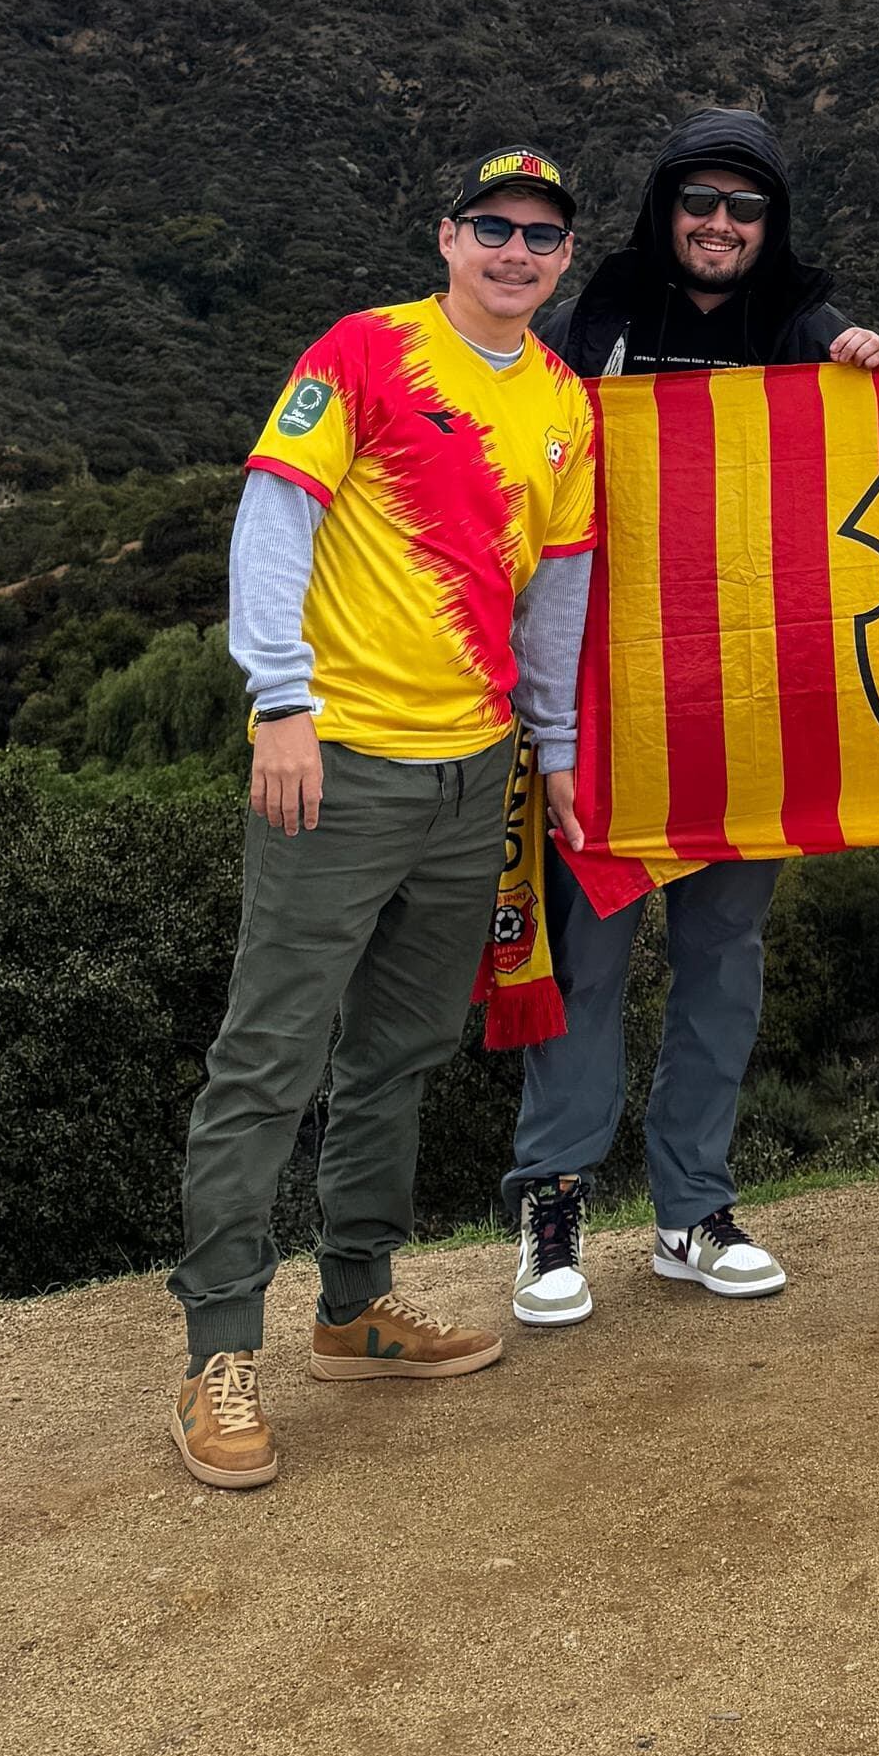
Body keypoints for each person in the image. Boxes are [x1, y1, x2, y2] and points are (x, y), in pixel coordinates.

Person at [170, 146, 597, 1492]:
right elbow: (272, 522)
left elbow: (558, 594)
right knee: (270, 1056)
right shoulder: (364, 351)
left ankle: (355, 1304)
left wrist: (560, 745)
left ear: (564, 260)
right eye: (493, 227)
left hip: (475, 773)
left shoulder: (566, 407)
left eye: (540, 236)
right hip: (340, 757)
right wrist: (279, 704)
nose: (515, 251)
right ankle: (217, 1353)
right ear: (448, 237)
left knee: (401, 1051)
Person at [505, 111, 879, 1330]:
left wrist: (863, 358)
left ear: (769, 224)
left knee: (723, 966)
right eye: (701, 202)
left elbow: (860, 383)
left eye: (745, 207)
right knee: (587, 965)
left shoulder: (801, 314)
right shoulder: (601, 310)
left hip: (751, 709)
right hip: (611, 711)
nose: (720, 225)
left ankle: (693, 1208)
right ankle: (553, 1204)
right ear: (666, 209)